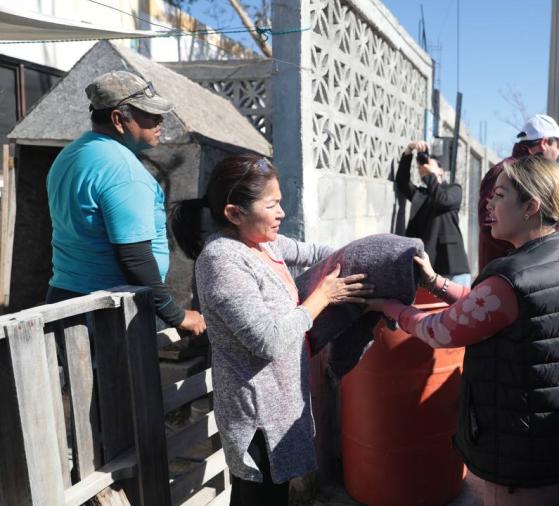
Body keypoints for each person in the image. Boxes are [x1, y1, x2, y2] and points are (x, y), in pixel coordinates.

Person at [369, 155, 559, 506]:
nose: (488, 203)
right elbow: (490, 307)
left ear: (531, 206)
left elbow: (439, 331)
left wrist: (387, 308)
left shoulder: (514, 276)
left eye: (499, 195)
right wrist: (436, 283)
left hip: (524, 469)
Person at [171, 155, 373, 504]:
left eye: (280, 202)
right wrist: (323, 296)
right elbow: (268, 340)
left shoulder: (266, 244)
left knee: (273, 496)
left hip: (281, 401)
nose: (282, 213)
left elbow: (317, 252)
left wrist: (367, 257)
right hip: (256, 416)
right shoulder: (222, 260)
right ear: (234, 213)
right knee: (258, 496)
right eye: (272, 204)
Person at [45, 70, 204, 335]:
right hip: (106, 313)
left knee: (77, 378)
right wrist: (175, 315)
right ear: (119, 119)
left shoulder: (71, 154)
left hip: (66, 301)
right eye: (150, 115)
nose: (160, 121)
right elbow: (135, 258)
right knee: (113, 378)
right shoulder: (123, 171)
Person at [478, 114, 559, 272]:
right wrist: (534, 249)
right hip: (505, 280)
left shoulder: (539, 176)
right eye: (558, 145)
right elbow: (488, 223)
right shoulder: (506, 172)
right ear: (544, 143)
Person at [395, 140, 471, 285]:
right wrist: (409, 150)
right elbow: (402, 181)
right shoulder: (421, 195)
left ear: (441, 171)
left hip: (452, 266)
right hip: (427, 265)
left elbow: (442, 200)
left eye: (430, 164)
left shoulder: (454, 189)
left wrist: (430, 177)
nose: (424, 167)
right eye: (421, 166)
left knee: (461, 306)